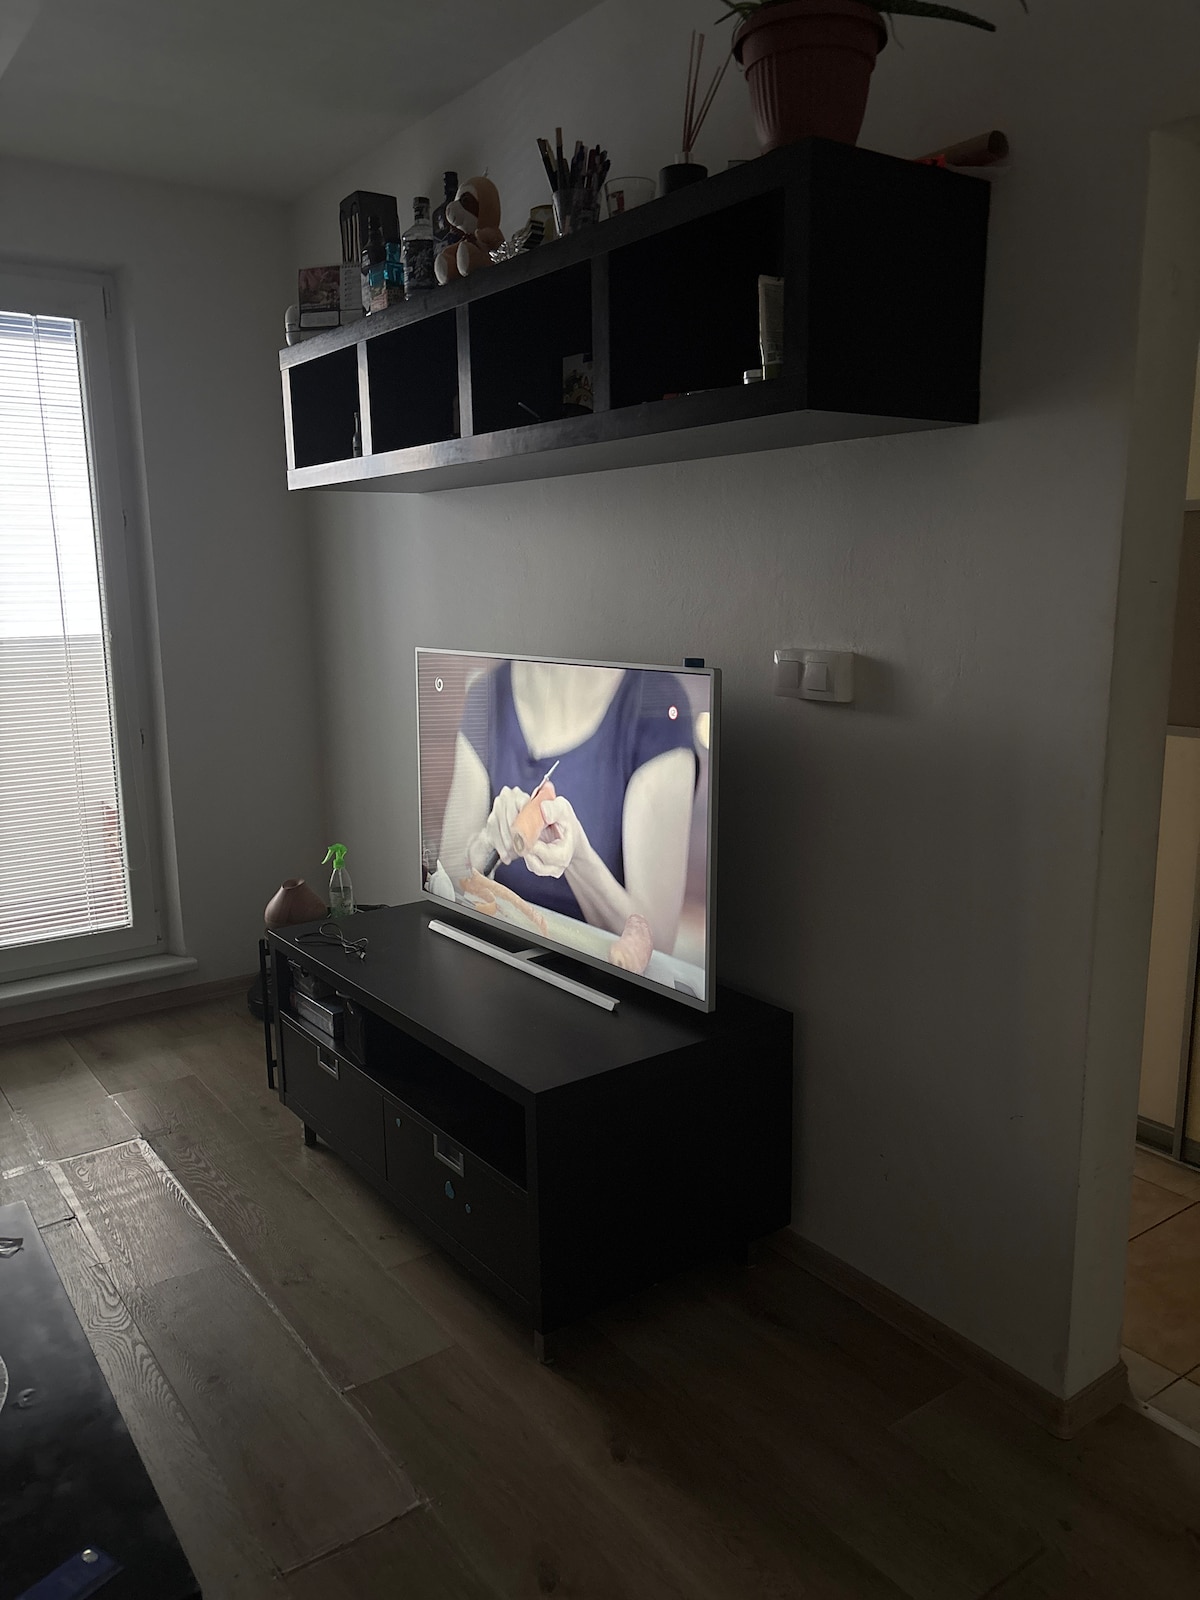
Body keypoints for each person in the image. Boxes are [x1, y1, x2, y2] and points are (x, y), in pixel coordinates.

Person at [438, 659, 697, 955]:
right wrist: (487, 845)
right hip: (497, 957)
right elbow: (448, 886)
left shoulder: (656, 705)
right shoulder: (486, 694)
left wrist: (578, 859)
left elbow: (657, 948)